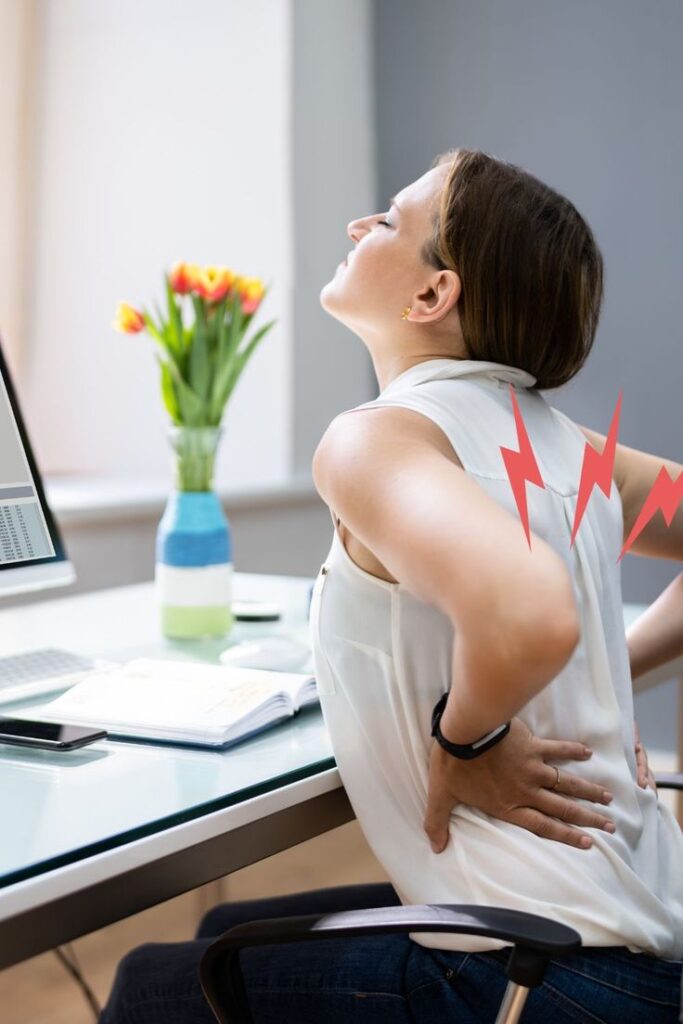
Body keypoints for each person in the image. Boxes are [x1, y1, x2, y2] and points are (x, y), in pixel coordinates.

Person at [101, 148, 683, 1023]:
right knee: (229, 922)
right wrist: (601, 683)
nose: (357, 226)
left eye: (389, 218)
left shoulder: (373, 440)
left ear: (429, 296)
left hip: (538, 982)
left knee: (153, 985)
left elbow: (527, 612)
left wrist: (470, 742)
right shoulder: (577, 450)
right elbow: (533, 623)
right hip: (652, 956)